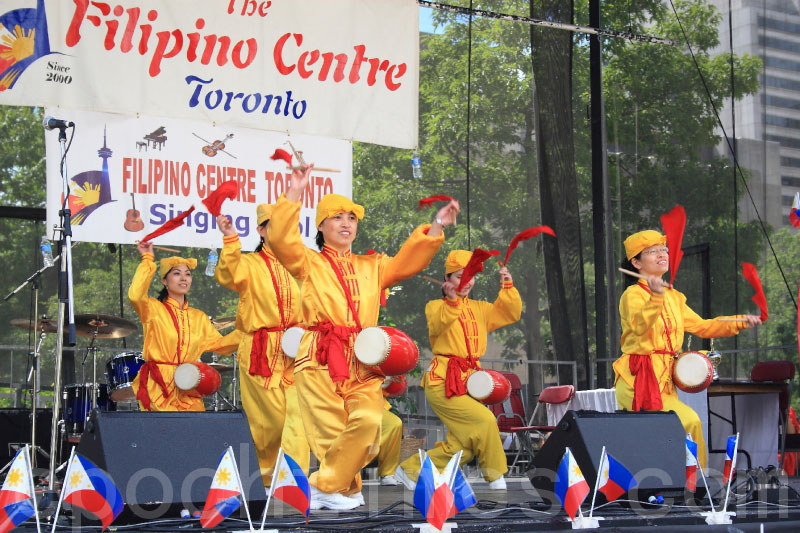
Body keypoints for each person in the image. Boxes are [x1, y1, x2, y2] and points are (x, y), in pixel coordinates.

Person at [268, 163, 458, 510]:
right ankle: (345, 489)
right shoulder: (308, 262)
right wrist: (295, 190)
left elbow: (407, 262)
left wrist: (437, 225)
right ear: (321, 226)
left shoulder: (373, 266)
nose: (346, 224)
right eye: (337, 217)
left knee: (370, 423)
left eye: (352, 218)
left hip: (362, 355)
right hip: (321, 354)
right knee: (330, 432)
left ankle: (323, 485)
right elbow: (280, 239)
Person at [614, 230, 761, 468]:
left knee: (669, 436)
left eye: (664, 249)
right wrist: (656, 297)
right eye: (652, 251)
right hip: (639, 380)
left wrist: (740, 321)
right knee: (689, 422)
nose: (662, 254)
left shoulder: (673, 297)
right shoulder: (632, 295)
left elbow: (703, 326)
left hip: (664, 380)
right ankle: (697, 481)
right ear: (636, 262)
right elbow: (640, 327)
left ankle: (683, 482)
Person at [396, 249, 522, 491]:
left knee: (465, 444)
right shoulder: (435, 306)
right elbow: (440, 324)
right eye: (459, 276)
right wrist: (452, 301)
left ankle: (412, 469)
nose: (466, 282)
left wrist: (507, 286)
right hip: (442, 381)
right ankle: (496, 476)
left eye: (471, 276)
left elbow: (510, 313)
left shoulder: (480, 308)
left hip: (469, 381)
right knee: (485, 419)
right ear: (447, 278)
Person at [215, 205, 310, 485]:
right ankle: (266, 478)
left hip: (294, 352)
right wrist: (230, 238)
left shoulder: (301, 267)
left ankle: (294, 481)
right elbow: (228, 275)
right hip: (260, 351)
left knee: (298, 416)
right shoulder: (250, 264)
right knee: (269, 423)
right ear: (261, 230)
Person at [129, 242, 238, 411]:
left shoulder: (199, 317)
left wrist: (248, 331)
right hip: (159, 383)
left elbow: (220, 345)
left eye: (187, 274)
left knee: (194, 426)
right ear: (165, 280)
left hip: (189, 383)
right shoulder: (152, 308)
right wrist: (147, 259)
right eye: (176, 273)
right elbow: (136, 295)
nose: (183, 278)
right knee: (164, 427)